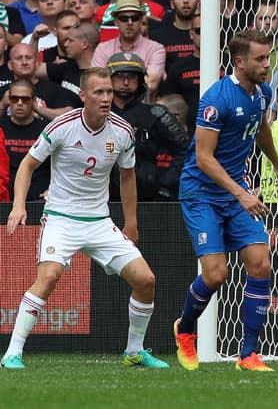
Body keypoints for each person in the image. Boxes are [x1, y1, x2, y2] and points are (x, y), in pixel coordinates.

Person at [1, 68, 168, 370]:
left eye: (109, 92)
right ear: (83, 96)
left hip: (100, 222)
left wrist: (131, 222)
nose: (106, 98)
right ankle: (12, 353)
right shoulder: (62, 126)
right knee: (49, 277)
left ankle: (134, 351)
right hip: (61, 219)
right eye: (99, 92)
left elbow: (127, 176)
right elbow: (27, 165)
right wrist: (19, 205)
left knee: (146, 280)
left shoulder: (122, 131)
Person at [172, 30, 278, 373]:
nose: (267, 64)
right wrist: (242, 193)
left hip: (236, 190)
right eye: (260, 59)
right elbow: (204, 157)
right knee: (216, 274)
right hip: (201, 193)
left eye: (268, 58)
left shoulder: (263, 93)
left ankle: (248, 354)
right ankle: (185, 328)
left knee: (261, 264)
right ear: (239, 62)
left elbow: (261, 128)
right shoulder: (217, 99)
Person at [107, 52, 188, 201]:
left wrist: (163, 182)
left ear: (139, 81)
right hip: (103, 198)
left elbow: (184, 150)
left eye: (131, 77)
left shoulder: (155, 115)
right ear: (109, 79)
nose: (125, 82)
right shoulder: (97, 115)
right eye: (120, 76)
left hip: (146, 197)